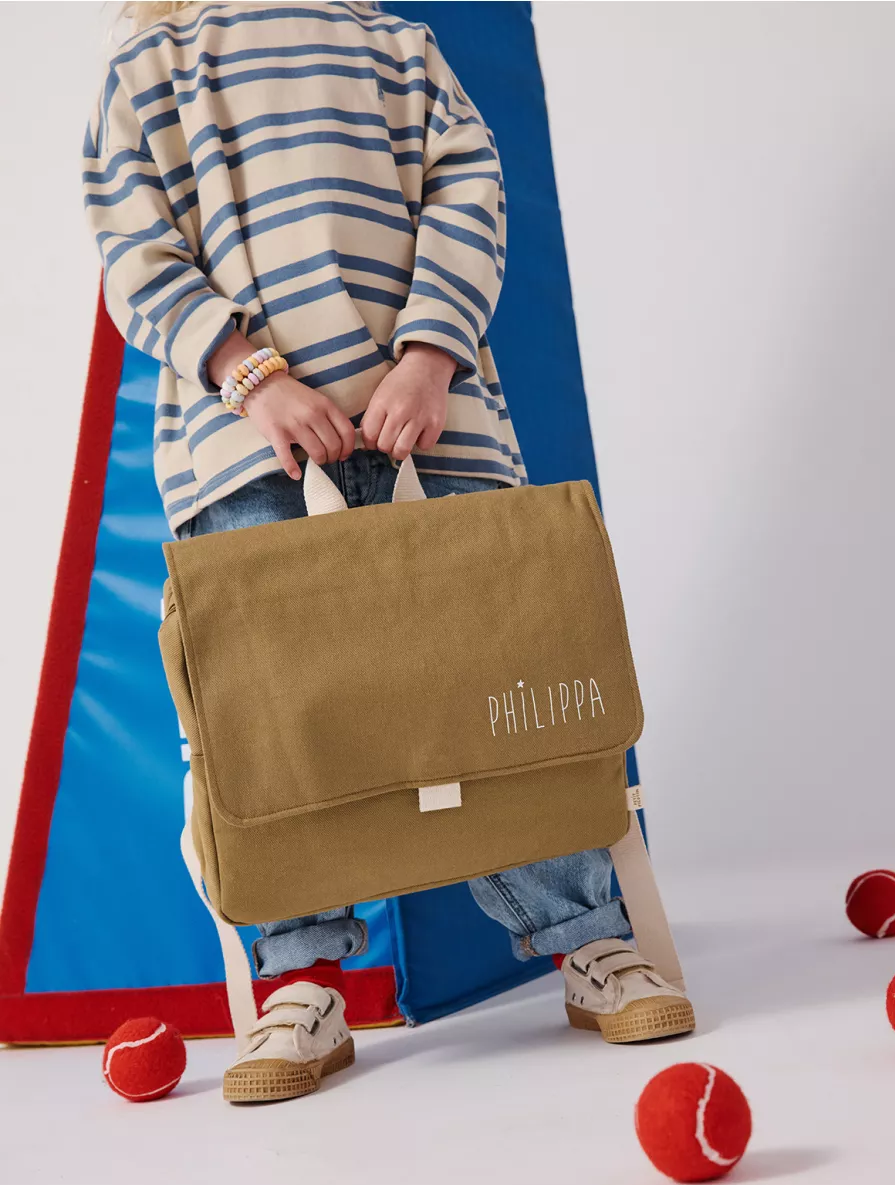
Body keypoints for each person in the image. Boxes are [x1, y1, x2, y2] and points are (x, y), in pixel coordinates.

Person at [83, 0, 694, 1102]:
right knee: (278, 722)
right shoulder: (151, 65)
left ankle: (588, 936)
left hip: (437, 425)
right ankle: (299, 982)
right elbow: (134, 249)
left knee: (502, 689)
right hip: (244, 452)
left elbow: (471, 197)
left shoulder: (396, 47)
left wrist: (427, 359)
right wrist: (251, 379)